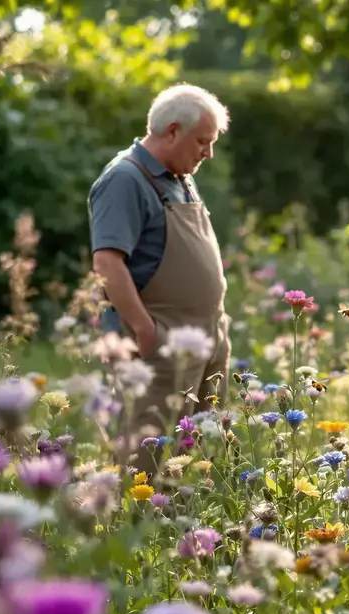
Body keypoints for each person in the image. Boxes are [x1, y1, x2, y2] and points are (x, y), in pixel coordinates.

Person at [88, 83, 231, 472]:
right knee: (147, 462)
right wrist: (144, 330)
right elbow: (108, 263)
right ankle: (136, 531)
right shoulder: (125, 179)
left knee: (196, 460)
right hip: (160, 346)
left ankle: (188, 535)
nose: (208, 152)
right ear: (172, 131)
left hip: (205, 340)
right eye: (203, 141)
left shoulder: (179, 175)